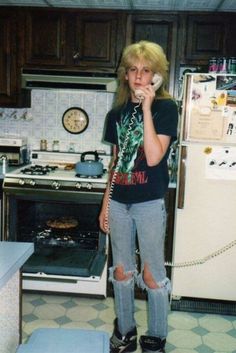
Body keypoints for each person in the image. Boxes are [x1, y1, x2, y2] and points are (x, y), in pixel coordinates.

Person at [99, 40, 178, 353]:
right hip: (119, 203)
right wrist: (105, 204)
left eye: (146, 70)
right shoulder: (115, 115)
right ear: (125, 74)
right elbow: (116, 164)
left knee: (152, 273)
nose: (139, 76)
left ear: (156, 76)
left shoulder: (166, 108)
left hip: (148, 203)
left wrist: (146, 108)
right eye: (133, 69)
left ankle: (156, 335)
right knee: (121, 271)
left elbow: (155, 156)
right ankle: (126, 330)